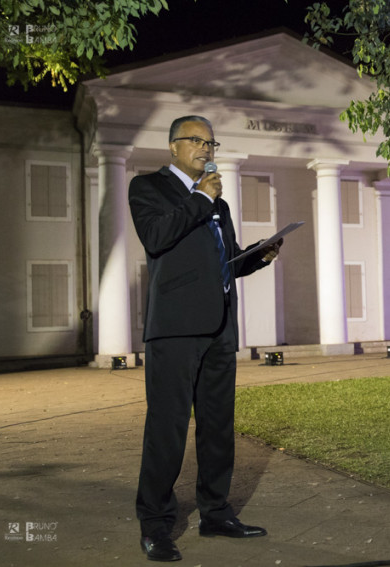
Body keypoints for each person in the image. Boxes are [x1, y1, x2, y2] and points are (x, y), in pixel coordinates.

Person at [129, 115, 281, 562]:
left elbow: (224, 262)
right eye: (195, 141)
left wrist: (257, 257)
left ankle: (216, 512)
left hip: (218, 328)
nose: (205, 148)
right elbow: (157, 238)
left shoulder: (219, 202)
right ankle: (156, 525)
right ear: (173, 147)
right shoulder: (148, 188)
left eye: (210, 142)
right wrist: (199, 197)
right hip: (174, 329)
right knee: (167, 430)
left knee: (218, 429)